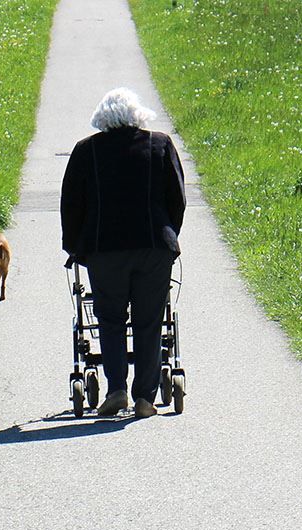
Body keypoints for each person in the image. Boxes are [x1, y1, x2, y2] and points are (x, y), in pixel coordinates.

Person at [60, 87, 186, 418]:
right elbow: (177, 198)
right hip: (153, 247)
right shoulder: (159, 144)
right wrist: (169, 235)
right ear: (138, 115)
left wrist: (76, 248)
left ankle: (116, 389)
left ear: (102, 118)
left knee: (111, 319)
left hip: (105, 250)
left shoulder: (86, 150)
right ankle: (145, 398)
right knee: (149, 321)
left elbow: (71, 205)